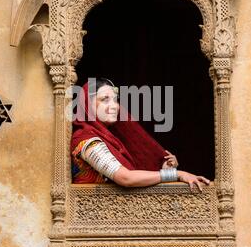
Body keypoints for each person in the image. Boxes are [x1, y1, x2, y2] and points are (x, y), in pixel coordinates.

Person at [71, 78, 210, 192]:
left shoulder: (110, 138)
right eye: (105, 99)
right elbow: (126, 178)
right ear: (87, 104)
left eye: (115, 99)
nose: (114, 106)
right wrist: (178, 174)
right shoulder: (86, 139)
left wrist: (164, 169)